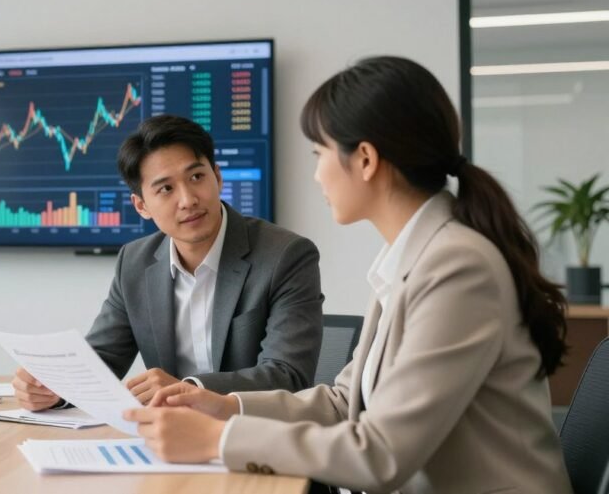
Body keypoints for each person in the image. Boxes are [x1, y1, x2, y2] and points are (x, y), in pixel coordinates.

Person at [125, 57, 572, 494]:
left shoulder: (458, 267)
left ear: (364, 160)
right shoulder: (413, 257)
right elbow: (345, 402)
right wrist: (224, 407)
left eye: (320, 153)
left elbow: (381, 455)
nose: (316, 173)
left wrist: (215, 440)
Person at [14, 115, 324, 410]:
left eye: (196, 177)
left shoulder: (286, 255)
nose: (188, 199)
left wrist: (190, 388)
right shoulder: (134, 261)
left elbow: (288, 375)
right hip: (168, 438)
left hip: (250, 435)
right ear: (142, 205)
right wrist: (54, 388)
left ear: (217, 177)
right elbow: (103, 359)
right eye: (166, 188)